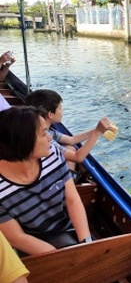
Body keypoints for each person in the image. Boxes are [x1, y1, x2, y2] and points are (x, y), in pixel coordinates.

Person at [0, 106, 92, 255]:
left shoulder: (53, 155)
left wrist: (86, 243)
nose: (50, 138)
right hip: (32, 246)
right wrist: (62, 258)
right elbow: (17, 238)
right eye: (44, 133)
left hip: (67, 231)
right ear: (23, 141)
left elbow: (72, 200)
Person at [25, 89, 113, 171]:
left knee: (70, 147)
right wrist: (97, 133)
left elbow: (72, 140)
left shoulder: (48, 131)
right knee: (71, 150)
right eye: (60, 108)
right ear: (50, 114)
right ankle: (69, 180)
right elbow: (77, 157)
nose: (62, 111)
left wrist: (99, 129)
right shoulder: (47, 141)